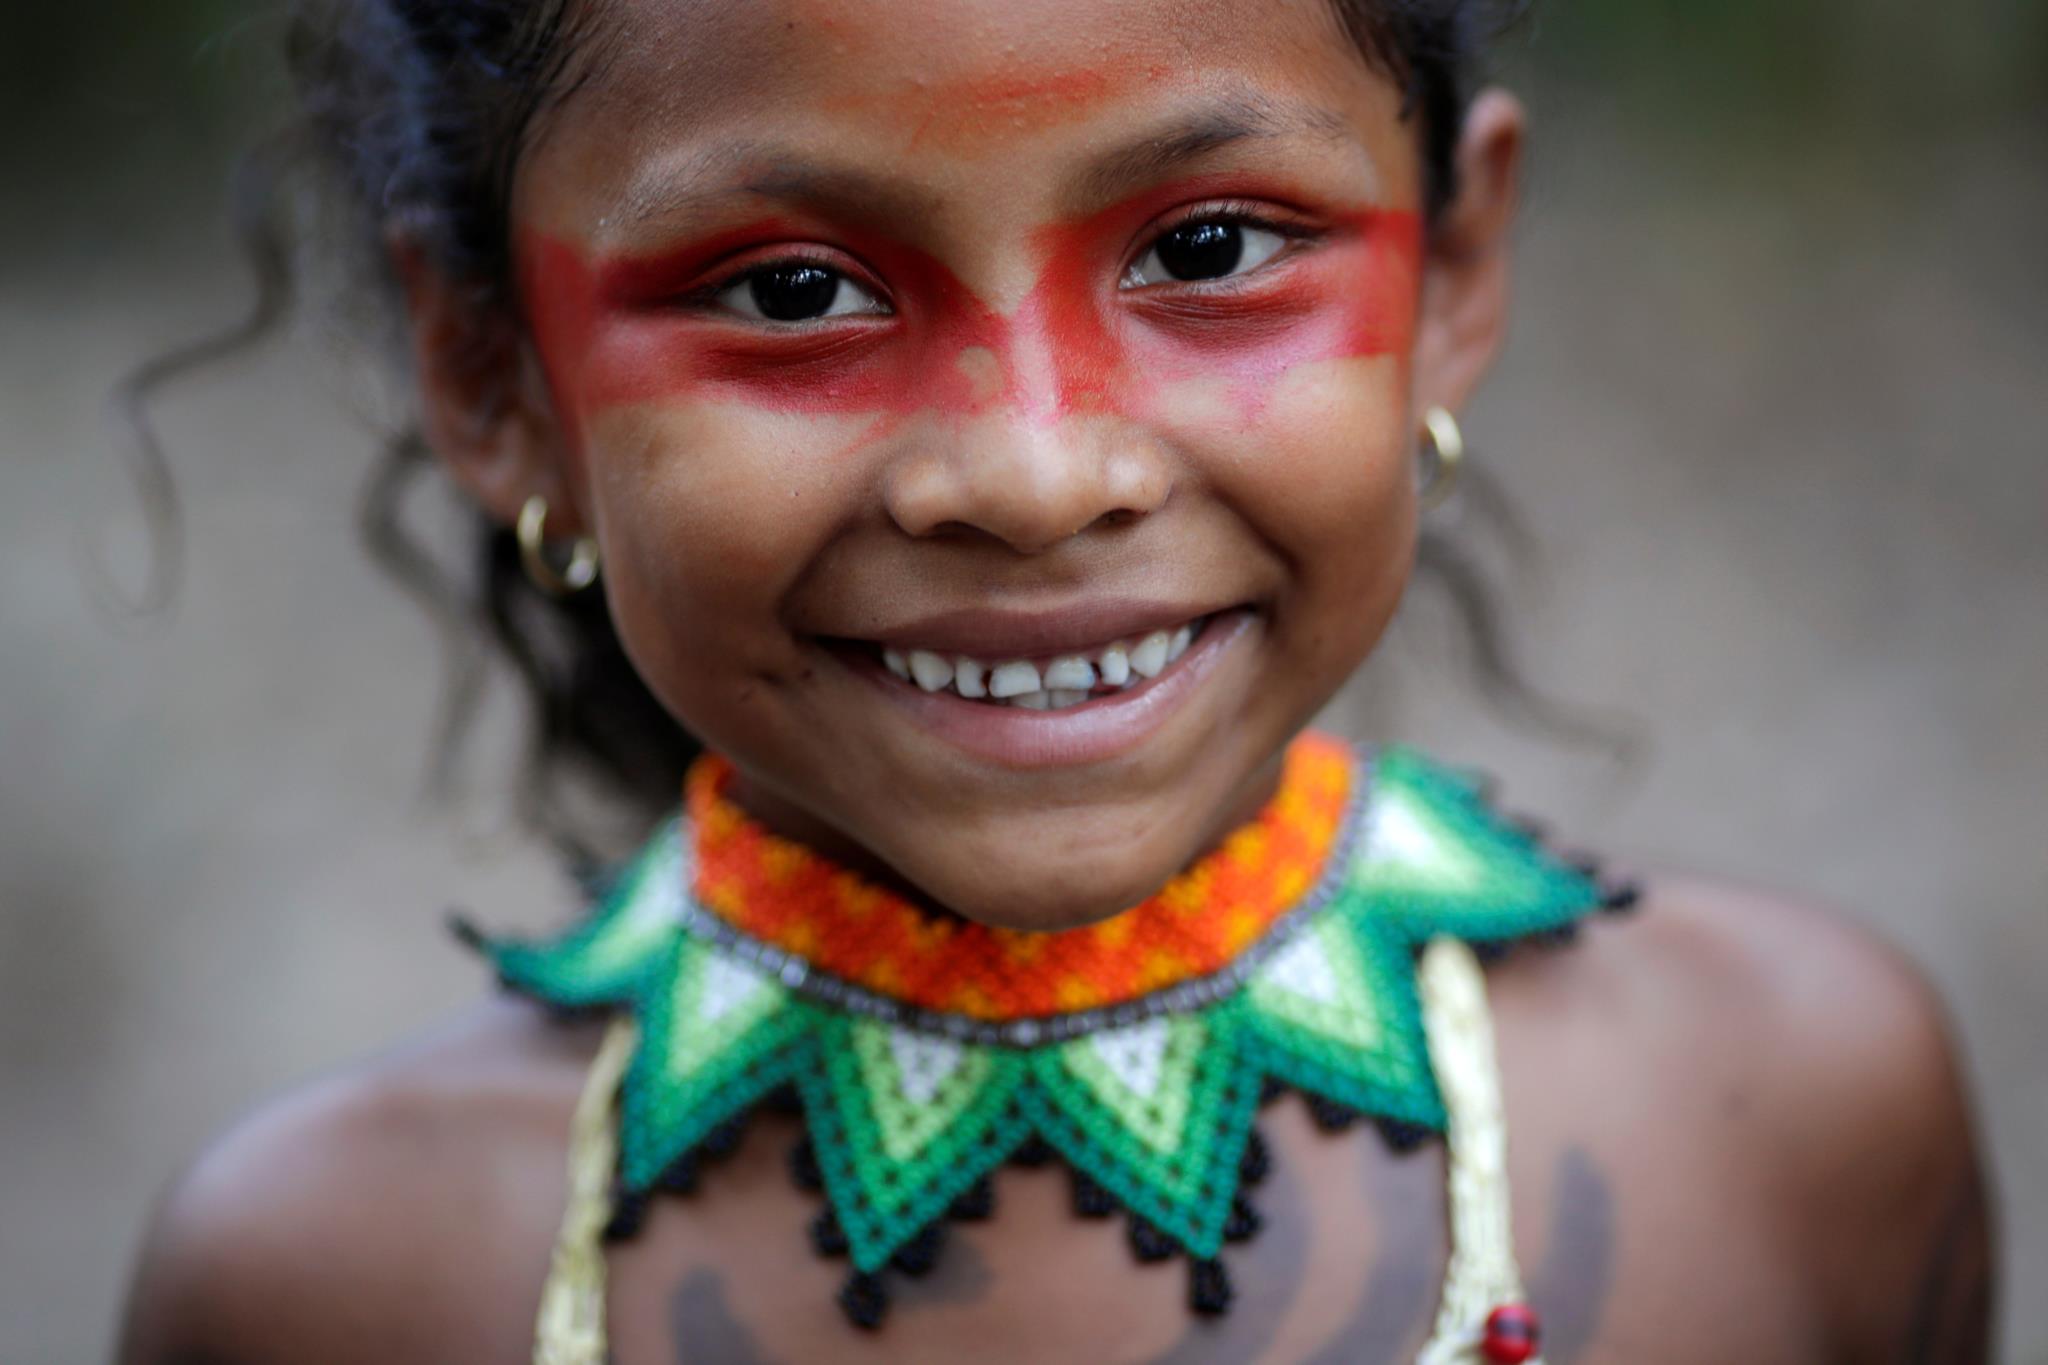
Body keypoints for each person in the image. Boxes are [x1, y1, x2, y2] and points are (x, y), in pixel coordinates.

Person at [116, 0, 1995, 1361]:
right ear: (494, 378)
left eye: (1206, 249)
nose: (1030, 475)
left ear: (1459, 269)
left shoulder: (1796, 1114)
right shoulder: (334, 1285)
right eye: (790, 291)